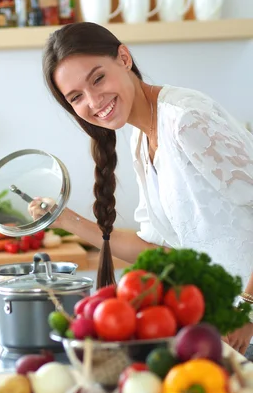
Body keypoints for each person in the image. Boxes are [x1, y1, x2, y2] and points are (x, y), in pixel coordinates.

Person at [31, 21, 253, 354]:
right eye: (77, 97)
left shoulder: (185, 120)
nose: (93, 100)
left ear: (123, 57)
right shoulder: (142, 138)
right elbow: (159, 250)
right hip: (221, 331)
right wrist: (65, 220)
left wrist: (247, 310)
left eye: (98, 78)